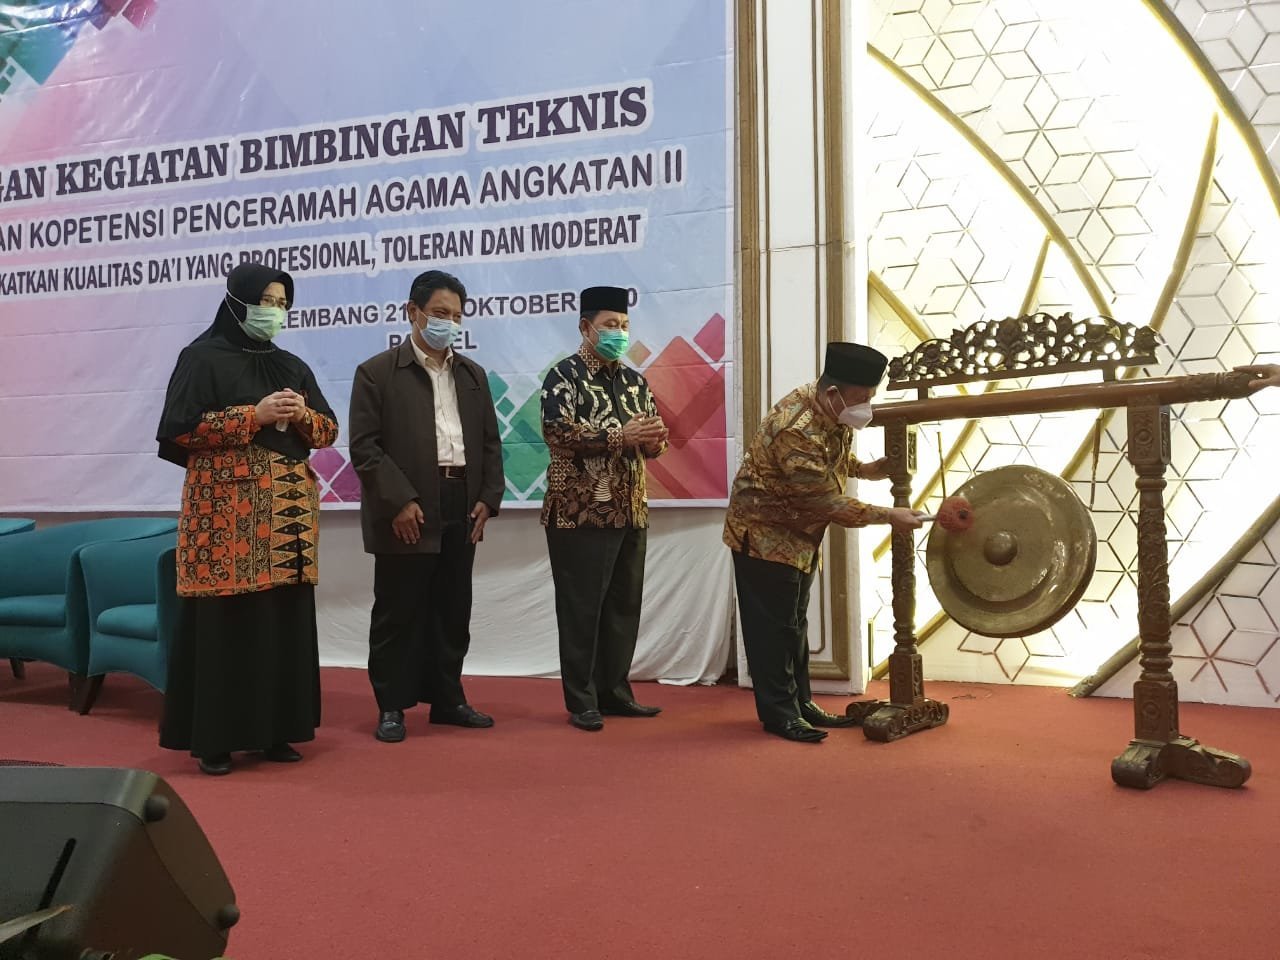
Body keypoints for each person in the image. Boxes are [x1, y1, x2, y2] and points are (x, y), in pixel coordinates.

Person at [156, 262, 339, 776]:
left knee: (280, 624)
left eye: (282, 304)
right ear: (237, 302)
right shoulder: (201, 358)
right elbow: (177, 430)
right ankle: (216, 740)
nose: (274, 312)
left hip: (288, 521)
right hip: (225, 522)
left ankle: (276, 731)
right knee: (228, 626)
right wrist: (250, 417)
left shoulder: (291, 365)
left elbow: (327, 431)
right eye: (266, 302)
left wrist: (302, 415)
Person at [723, 342, 922, 744]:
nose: (866, 406)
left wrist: (865, 469)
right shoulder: (795, 428)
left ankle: (801, 703)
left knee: (794, 625)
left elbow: (830, 457)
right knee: (771, 631)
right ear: (833, 393)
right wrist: (891, 516)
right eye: (861, 398)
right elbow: (825, 502)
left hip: (799, 536)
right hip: (763, 535)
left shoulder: (827, 408)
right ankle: (780, 714)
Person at [349, 270, 504, 743]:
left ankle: (448, 700)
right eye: (440, 313)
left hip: (461, 500)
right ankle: (391, 706)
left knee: (453, 609)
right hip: (407, 505)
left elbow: (490, 443)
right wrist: (399, 500)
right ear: (412, 312)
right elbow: (365, 448)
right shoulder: (377, 372)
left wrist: (488, 498)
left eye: (456, 316)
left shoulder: (472, 375)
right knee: (398, 611)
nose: (448, 323)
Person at [541, 286, 668, 731]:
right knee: (582, 610)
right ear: (585, 327)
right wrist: (620, 436)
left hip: (630, 509)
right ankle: (582, 700)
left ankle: (614, 692)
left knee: (622, 608)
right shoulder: (564, 376)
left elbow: (651, 439)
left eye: (625, 325)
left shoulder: (635, 381)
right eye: (610, 325)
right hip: (580, 513)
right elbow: (557, 433)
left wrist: (654, 439)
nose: (619, 333)